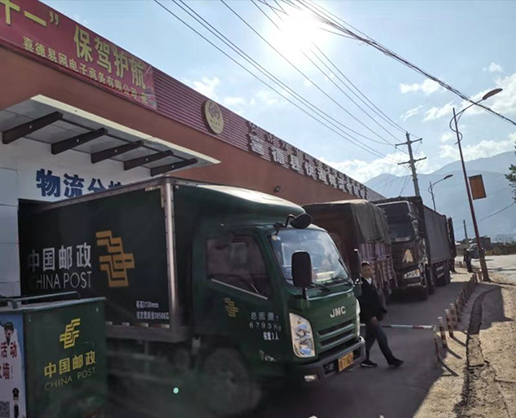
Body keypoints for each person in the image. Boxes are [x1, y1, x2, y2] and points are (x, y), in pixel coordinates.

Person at [358, 262, 404, 368]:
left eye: (369, 269)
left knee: (370, 338)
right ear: (361, 272)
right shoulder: (362, 285)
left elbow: (375, 301)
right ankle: (390, 359)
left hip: (374, 316)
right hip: (370, 318)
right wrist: (371, 317)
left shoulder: (371, 282)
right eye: (365, 270)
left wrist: (382, 312)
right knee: (382, 338)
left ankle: (364, 359)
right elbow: (364, 304)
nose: (367, 272)